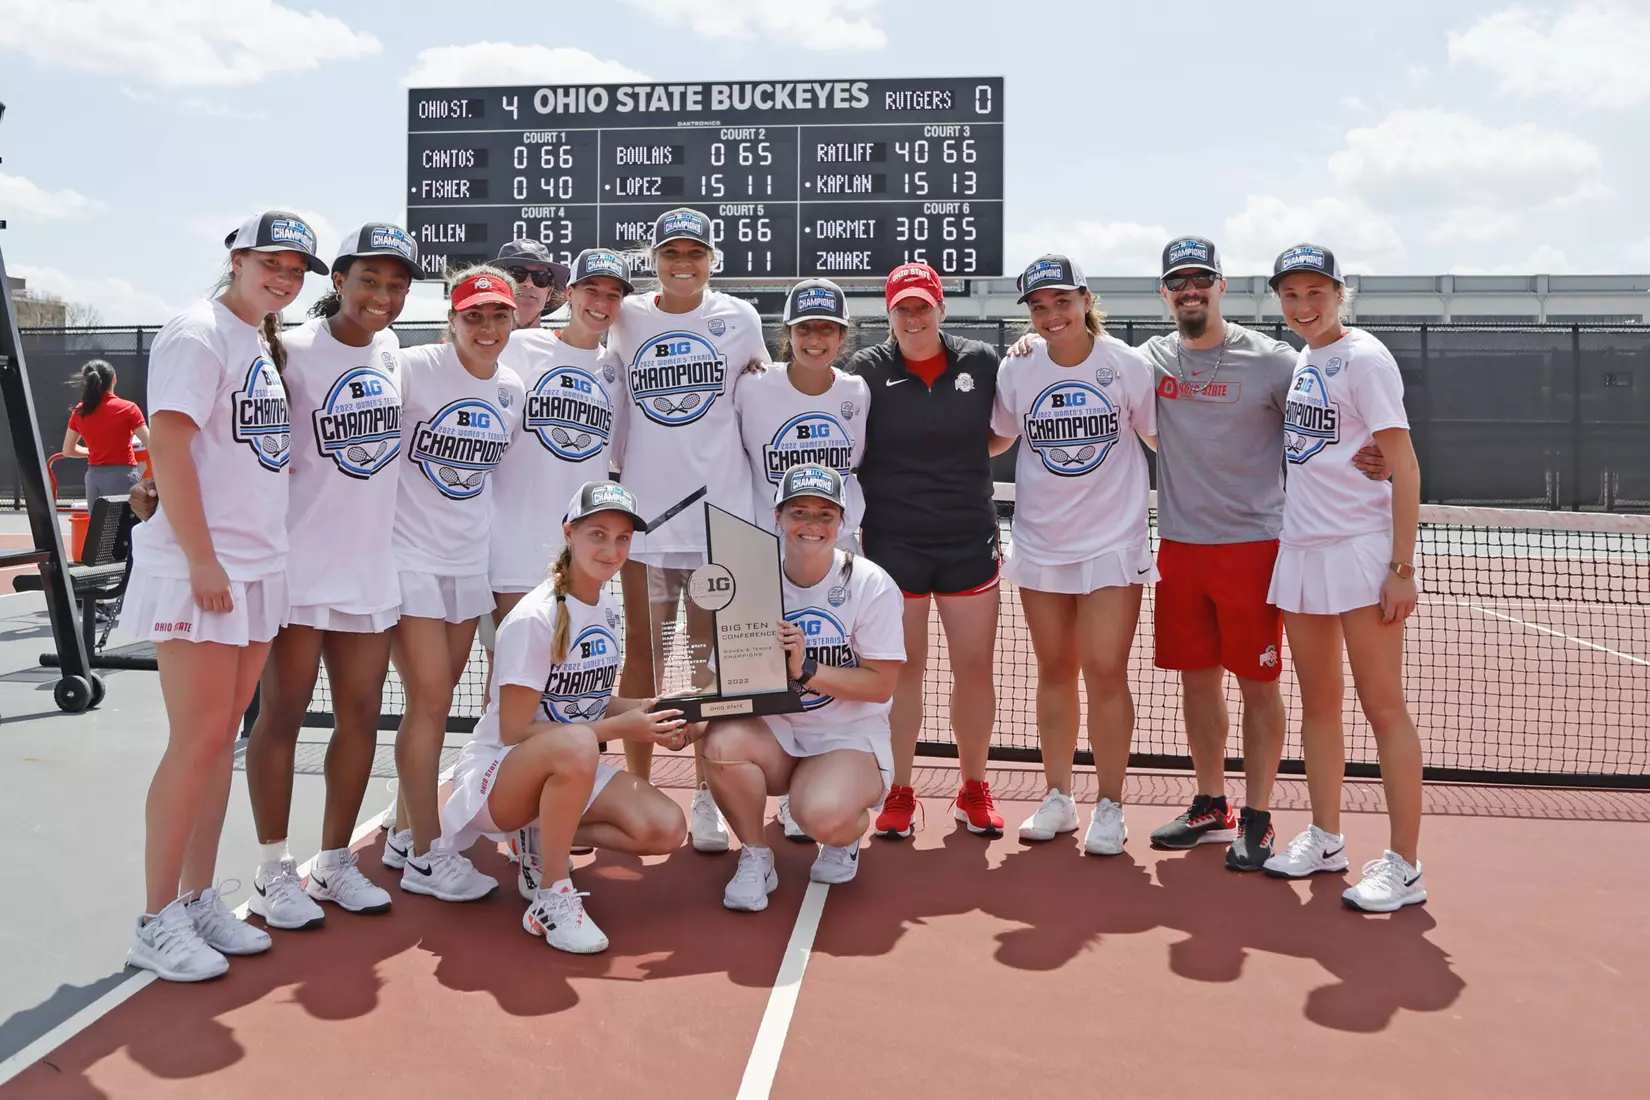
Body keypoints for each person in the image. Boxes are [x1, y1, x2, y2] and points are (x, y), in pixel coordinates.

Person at [120, 209, 325, 981]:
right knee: (197, 741)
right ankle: (154, 918)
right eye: (271, 262)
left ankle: (199, 897)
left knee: (220, 744)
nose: (284, 277)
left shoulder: (256, 343)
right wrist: (203, 559)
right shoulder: (196, 331)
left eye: (296, 269)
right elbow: (167, 443)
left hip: (258, 570)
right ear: (236, 258)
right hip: (204, 572)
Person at [239, 223, 418, 930]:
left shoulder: (396, 352)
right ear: (336, 281)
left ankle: (335, 861)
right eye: (368, 279)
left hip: (371, 568)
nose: (381, 295)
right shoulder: (287, 351)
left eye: (396, 283)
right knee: (279, 716)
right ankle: (272, 871)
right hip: (299, 568)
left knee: (361, 717)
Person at [436, 481, 689, 953]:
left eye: (622, 539)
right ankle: (551, 897)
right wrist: (618, 729)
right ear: (569, 534)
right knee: (578, 744)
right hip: (498, 777)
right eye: (598, 534)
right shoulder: (535, 618)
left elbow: (591, 701)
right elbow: (515, 731)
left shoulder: (605, 607)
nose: (611, 549)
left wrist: (657, 712)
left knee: (667, 828)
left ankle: (537, 838)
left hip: (564, 765)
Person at [1261, 244, 1426, 912]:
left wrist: (1401, 569)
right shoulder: (1304, 358)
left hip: (1362, 554)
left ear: (1339, 294)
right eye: (1292, 296)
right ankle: (1326, 837)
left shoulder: (1365, 358)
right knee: (1319, 706)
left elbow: (1406, 466)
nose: (1303, 307)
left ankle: (1406, 867)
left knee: (1383, 707)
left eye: (1315, 294)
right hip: (1302, 551)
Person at [607, 206, 769, 853]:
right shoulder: (627, 318)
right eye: (671, 253)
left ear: (711, 260)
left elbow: (758, 395)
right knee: (643, 657)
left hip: (715, 520)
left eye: (694, 254)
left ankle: (705, 793)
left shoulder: (740, 321)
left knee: (706, 665)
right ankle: (640, 786)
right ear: (655, 260)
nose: (683, 264)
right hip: (646, 522)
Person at [991, 255, 1157, 855]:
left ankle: (1109, 805)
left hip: (1114, 544)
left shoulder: (1127, 365)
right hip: (1040, 544)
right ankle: (1058, 796)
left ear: (1086, 300)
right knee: (1054, 670)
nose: (1051, 315)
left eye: (1062, 302)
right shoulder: (1020, 368)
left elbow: (1165, 437)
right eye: (1039, 306)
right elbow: (998, 436)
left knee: (1106, 672)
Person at [850, 262, 1012, 839]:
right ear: (888, 313)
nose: (913, 317)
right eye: (902, 308)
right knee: (904, 671)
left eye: (923, 306)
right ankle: (899, 791)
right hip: (895, 542)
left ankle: (973, 789)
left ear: (941, 308)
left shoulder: (982, 362)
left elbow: (1001, 431)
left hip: (969, 537)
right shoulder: (865, 371)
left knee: (973, 667)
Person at [380, 266, 525, 902]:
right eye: (474, 316)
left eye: (498, 316)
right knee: (432, 703)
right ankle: (425, 853)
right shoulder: (410, 367)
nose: (487, 328)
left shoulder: (513, 387)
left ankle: (401, 834)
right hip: (407, 558)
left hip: (469, 565)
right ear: (452, 320)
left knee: (438, 707)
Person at [703, 465, 905, 910]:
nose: (812, 525)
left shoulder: (870, 584)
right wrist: (688, 717)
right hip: (777, 734)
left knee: (822, 816)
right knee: (721, 742)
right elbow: (727, 680)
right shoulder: (749, 581)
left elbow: (881, 685)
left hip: (846, 737)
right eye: (799, 512)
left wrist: (806, 668)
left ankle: (842, 833)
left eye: (825, 514)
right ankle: (756, 855)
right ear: (777, 517)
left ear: (842, 522)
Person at [734, 278, 871, 843]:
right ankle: (775, 785)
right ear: (786, 335)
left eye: (828, 328)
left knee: (831, 658)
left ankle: (820, 782)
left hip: (839, 549)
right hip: (768, 553)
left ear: (843, 335)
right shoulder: (753, 389)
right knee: (766, 672)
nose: (817, 339)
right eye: (805, 328)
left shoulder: (858, 392)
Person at [62, 359, 149, 502]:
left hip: (94, 478)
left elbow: (68, 450)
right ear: (114, 380)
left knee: (98, 523)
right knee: (127, 523)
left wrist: (96, 451)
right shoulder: (128, 408)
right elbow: (151, 444)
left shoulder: (80, 411)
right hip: (124, 476)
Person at [496, 239, 571, 330]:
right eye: (517, 274)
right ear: (497, 285)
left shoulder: (562, 344)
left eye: (540, 277)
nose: (529, 283)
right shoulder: (478, 341)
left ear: (549, 293)